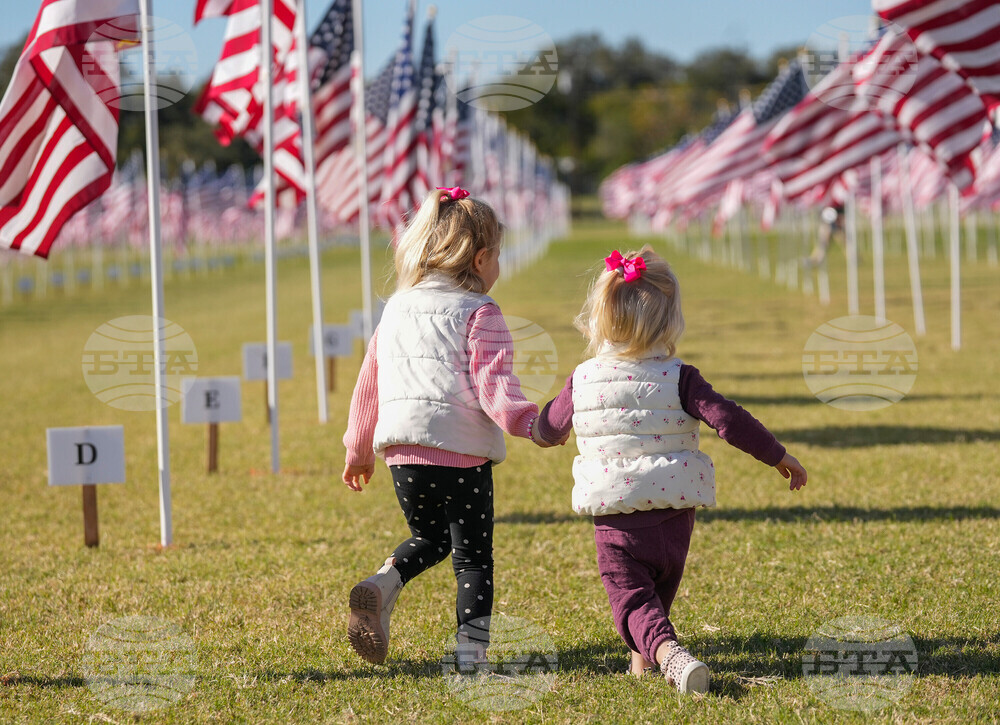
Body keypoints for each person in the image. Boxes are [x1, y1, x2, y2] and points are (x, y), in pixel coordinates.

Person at [533, 246, 808, 693]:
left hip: (618, 516)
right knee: (655, 596)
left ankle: (669, 656)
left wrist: (537, 430)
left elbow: (549, 426)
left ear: (601, 316)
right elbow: (728, 419)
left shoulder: (583, 378)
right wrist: (777, 454)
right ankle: (642, 665)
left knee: (630, 601)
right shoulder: (680, 377)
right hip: (676, 515)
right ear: (668, 322)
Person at [341, 186, 562, 665]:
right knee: (473, 558)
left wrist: (358, 450)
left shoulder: (395, 308)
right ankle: (470, 654)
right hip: (461, 454)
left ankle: (383, 581)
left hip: (402, 455)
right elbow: (495, 389)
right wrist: (534, 425)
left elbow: (368, 384)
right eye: (497, 255)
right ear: (481, 259)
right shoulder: (481, 311)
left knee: (430, 538)